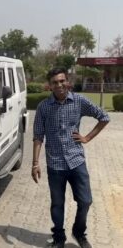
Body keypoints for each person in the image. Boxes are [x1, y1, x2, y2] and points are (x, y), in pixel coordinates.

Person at [32, 67, 110, 248]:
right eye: (54, 83)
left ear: (67, 82)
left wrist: (87, 138)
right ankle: (59, 238)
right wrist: (35, 163)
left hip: (76, 162)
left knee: (85, 200)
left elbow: (104, 117)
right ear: (49, 86)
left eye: (62, 81)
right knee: (57, 204)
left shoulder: (79, 101)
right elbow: (37, 136)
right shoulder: (43, 107)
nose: (59, 85)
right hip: (55, 165)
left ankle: (78, 231)